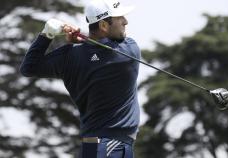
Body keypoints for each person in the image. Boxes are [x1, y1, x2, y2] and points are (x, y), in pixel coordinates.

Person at [20, 0, 140, 157]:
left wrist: (47, 34)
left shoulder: (69, 56)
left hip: (91, 145)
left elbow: (29, 68)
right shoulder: (129, 50)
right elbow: (104, 47)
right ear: (104, 25)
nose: (125, 21)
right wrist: (83, 41)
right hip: (112, 146)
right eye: (120, 18)